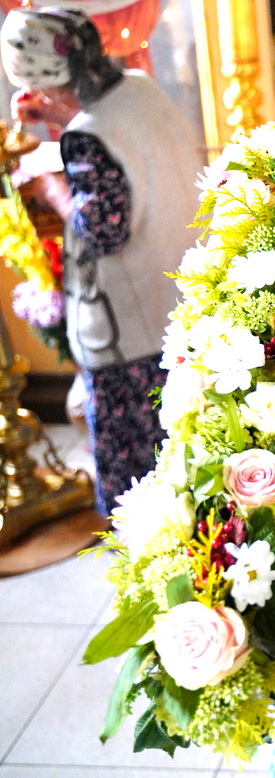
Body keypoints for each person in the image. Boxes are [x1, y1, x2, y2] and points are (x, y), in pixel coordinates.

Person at [1, 8, 201, 516]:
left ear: (38, 78)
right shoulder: (139, 87)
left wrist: (54, 189)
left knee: (139, 475)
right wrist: (58, 115)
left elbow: (102, 231)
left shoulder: (87, 136)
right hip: (180, 297)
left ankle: (146, 552)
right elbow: (129, 151)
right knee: (182, 452)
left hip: (130, 330)